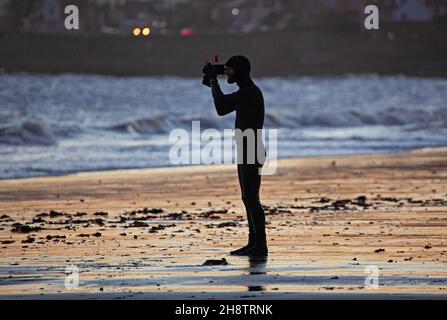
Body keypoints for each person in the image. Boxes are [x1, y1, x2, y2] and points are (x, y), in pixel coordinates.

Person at [203, 55, 268, 256]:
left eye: (230, 70)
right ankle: (253, 243)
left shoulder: (249, 92)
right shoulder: (245, 91)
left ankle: (261, 245)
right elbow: (224, 102)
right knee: (247, 197)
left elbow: (221, 108)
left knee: (251, 198)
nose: (227, 74)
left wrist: (214, 81)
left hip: (252, 149)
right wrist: (214, 80)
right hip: (247, 148)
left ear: (238, 71)